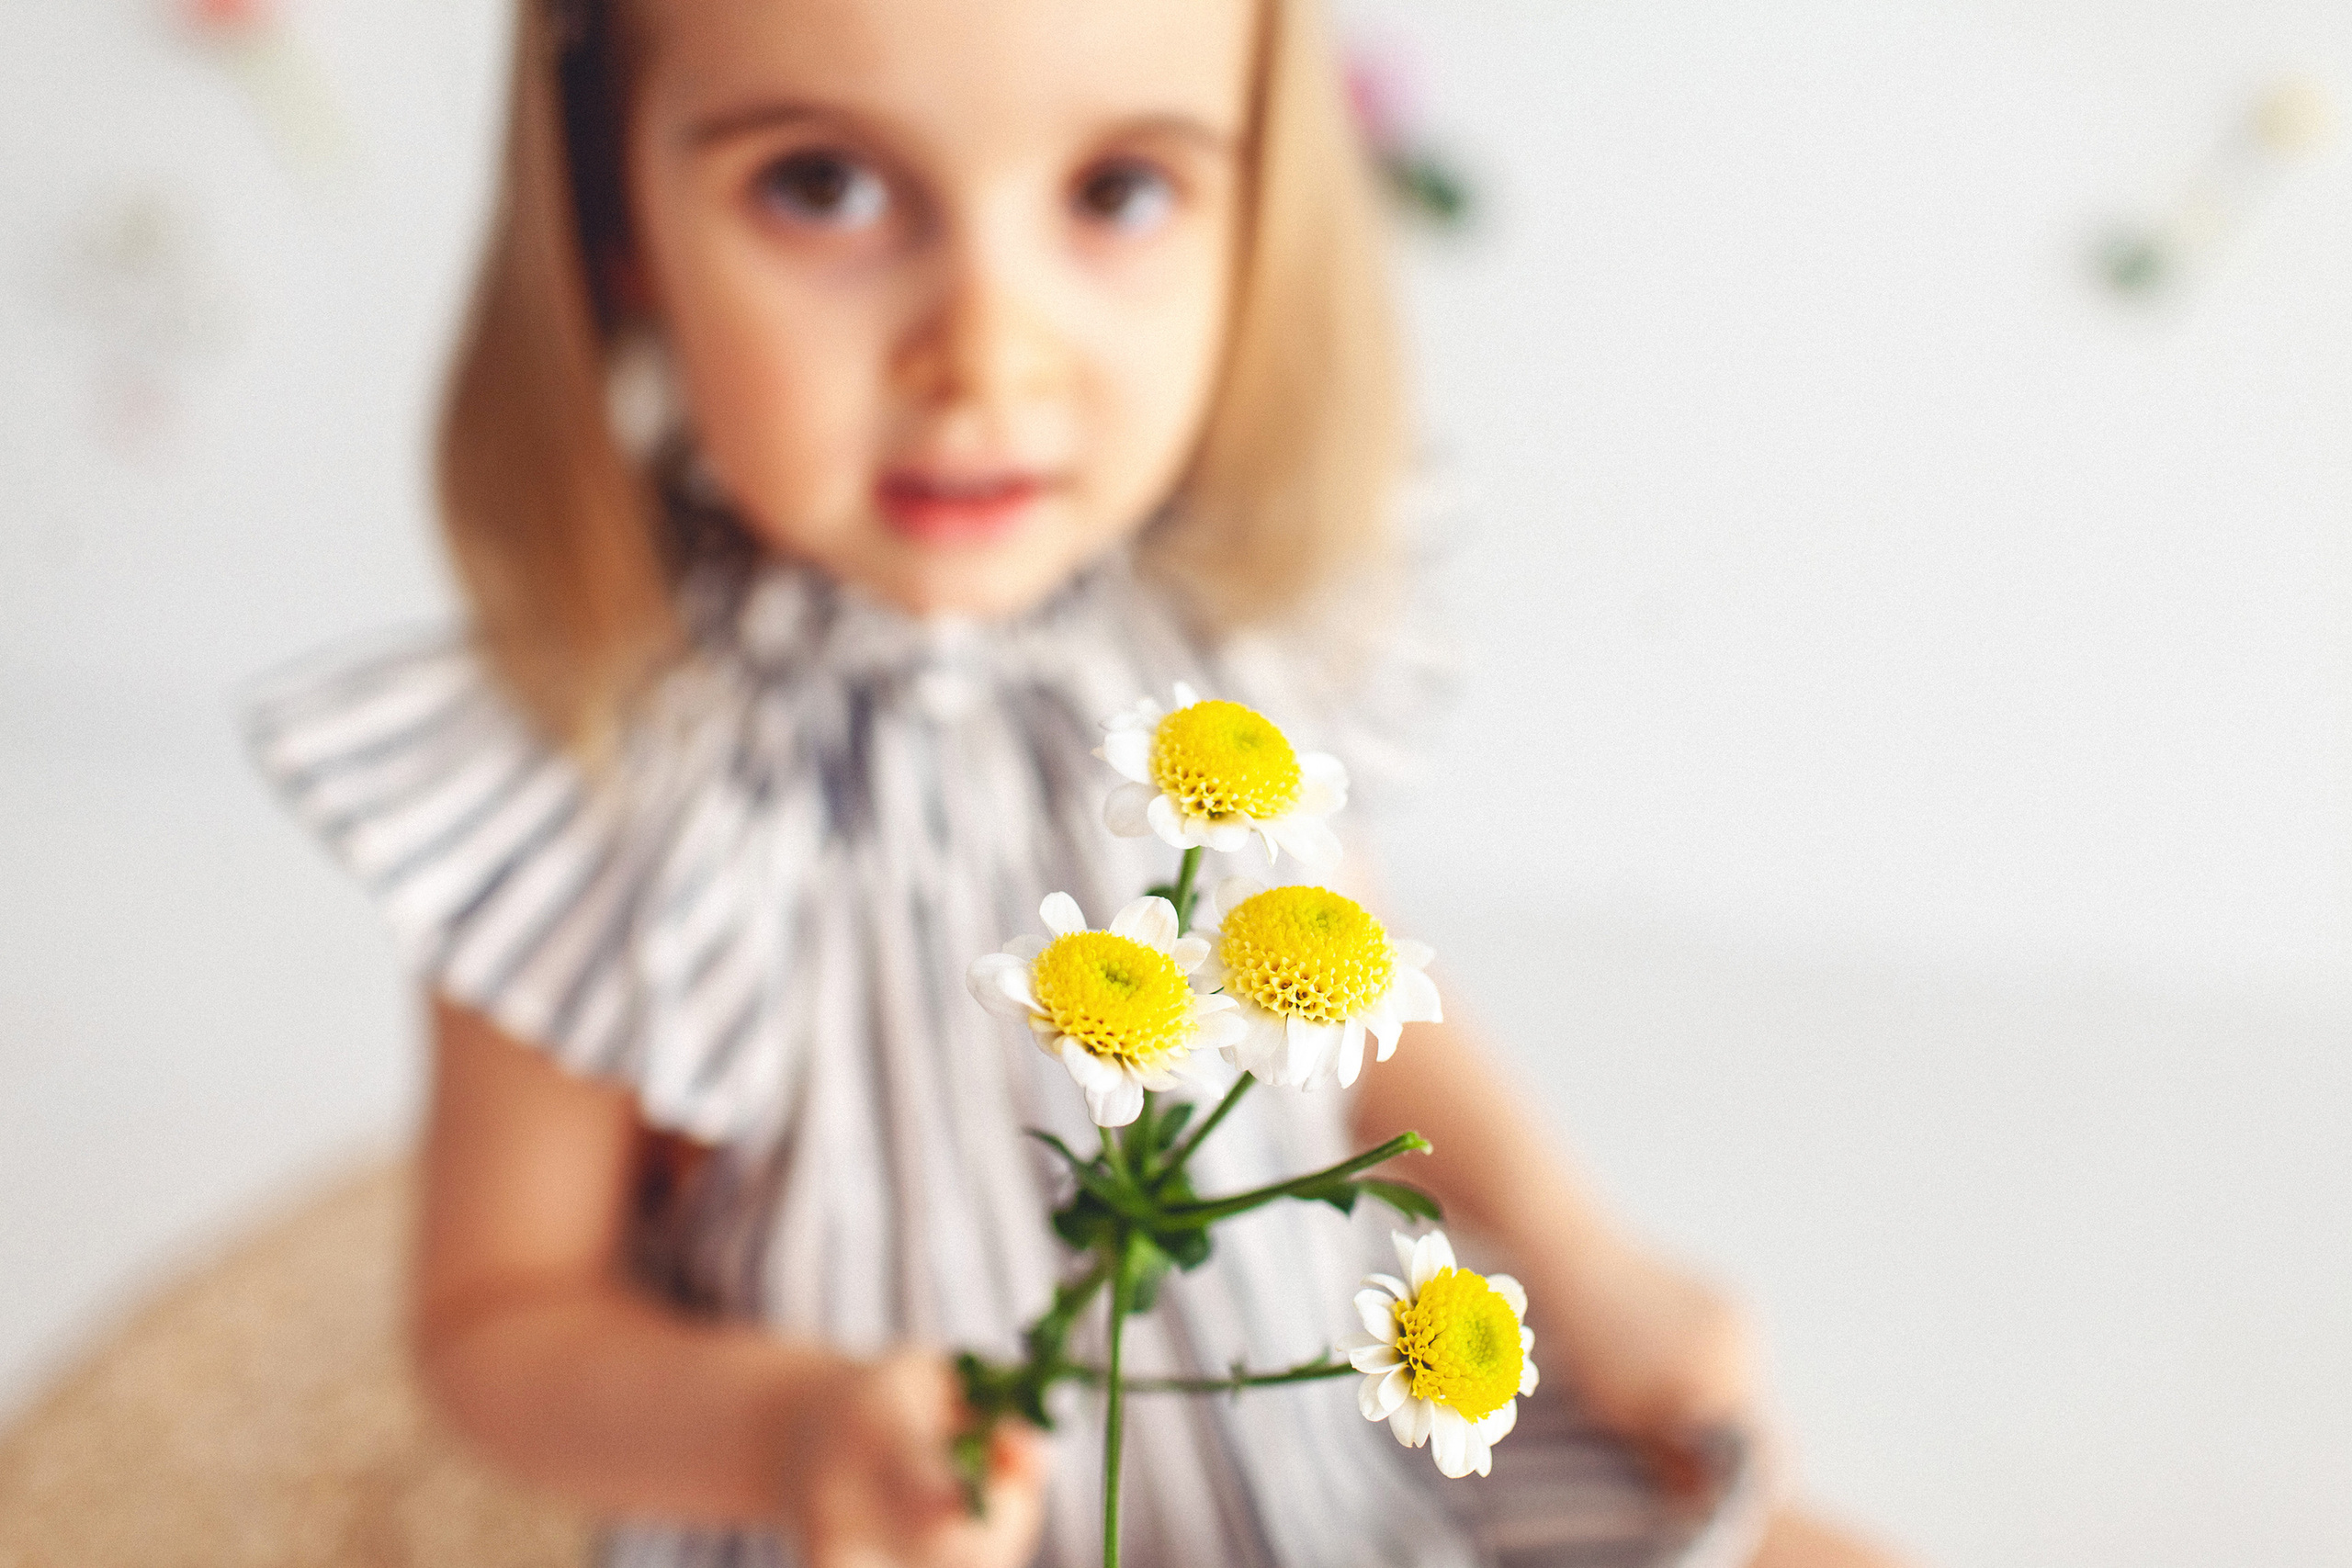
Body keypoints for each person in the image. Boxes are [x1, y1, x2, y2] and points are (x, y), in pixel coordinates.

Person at [250, 1, 1906, 1564]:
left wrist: (1581, 1254)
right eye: (821, 187)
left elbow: (1350, 999)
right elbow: (498, 1324)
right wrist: (787, 1430)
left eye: (1117, 190)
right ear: (615, 218)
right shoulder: (603, 770)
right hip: (893, 1518)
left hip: (1315, 1448)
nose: (987, 350)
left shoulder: (1220, 650)